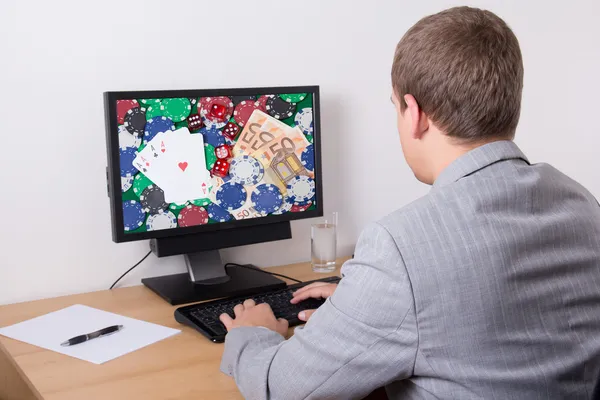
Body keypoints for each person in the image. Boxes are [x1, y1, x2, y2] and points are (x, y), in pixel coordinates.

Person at [219, 6, 600, 400]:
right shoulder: (581, 204)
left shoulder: (401, 246)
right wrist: (370, 303)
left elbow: (282, 389)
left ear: (415, 114)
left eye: (395, 107)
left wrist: (252, 334)